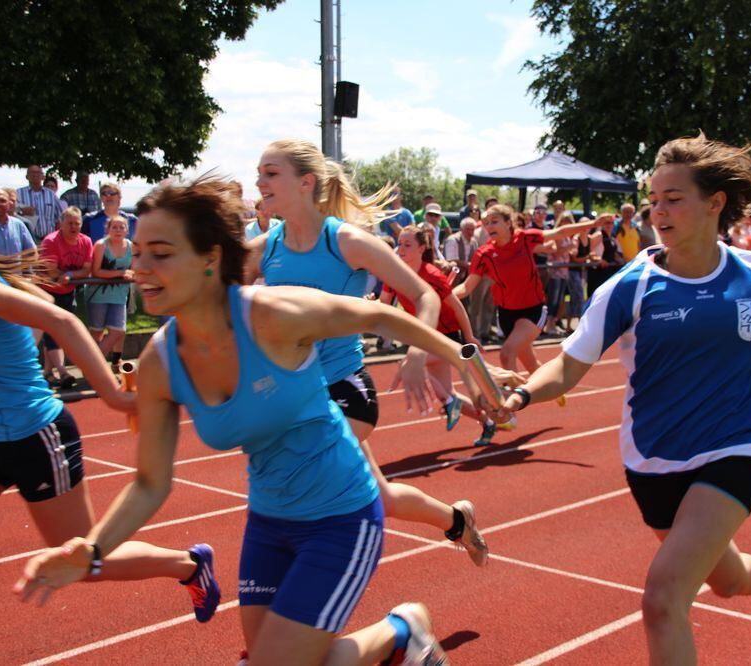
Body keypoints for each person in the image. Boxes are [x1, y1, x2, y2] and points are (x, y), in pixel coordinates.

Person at [16, 180, 496, 664]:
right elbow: (149, 483)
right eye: (137, 252)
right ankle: (404, 634)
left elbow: (381, 318)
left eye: (160, 253)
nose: (140, 268)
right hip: (269, 521)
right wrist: (92, 550)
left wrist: (466, 359)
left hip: (341, 514)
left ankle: (402, 630)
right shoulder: (161, 360)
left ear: (209, 258)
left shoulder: (272, 314)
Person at [488, 134, 751, 664]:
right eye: (654, 200)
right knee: (729, 580)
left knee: (663, 601)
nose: (659, 211)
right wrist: (524, 395)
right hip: (652, 460)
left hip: (733, 451)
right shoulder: (629, 287)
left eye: (674, 198)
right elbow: (568, 366)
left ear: (714, 203)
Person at [0, 177, 219, 624]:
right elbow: (41, 294)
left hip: (35, 436)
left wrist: (113, 395)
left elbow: (60, 317)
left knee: (83, 559)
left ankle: (188, 565)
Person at [247, 139, 491, 566]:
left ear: (305, 183)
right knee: (383, 496)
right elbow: (210, 286)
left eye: (270, 173)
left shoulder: (345, 242)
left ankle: (318, 581)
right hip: (293, 391)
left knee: (300, 472)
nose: (259, 182)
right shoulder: (266, 247)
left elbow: (424, 295)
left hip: (343, 389)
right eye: (259, 173)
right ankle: (456, 520)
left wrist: (417, 353)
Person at [452, 203, 597, 389]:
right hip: (506, 314)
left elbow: (560, 232)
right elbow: (466, 287)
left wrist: (594, 222)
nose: (489, 227)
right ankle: (552, 389)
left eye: (494, 222)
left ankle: (513, 404)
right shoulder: (484, 254)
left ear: (508, 222)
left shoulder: (524, 238)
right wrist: (443, 296)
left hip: (533, 310)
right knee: (530, 364)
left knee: (507, 353)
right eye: (486, 223)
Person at [380, 224, 499, 446]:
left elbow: (457, 305)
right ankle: (487, 422)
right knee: (447, 392)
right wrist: (369, 303)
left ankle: (481, 402)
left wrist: (470, 336)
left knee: (413, 363)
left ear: (421, 248)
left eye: (407, 245)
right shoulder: (393, 273)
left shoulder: (432, 274)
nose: (401, 249)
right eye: (399, 244)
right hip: (424, 336)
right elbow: (384, 303)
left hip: (447, 336)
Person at [39, 207, 93, 389]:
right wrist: (69, 275)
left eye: (77, 223)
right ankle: (62, 371)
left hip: (68, 291)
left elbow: (86, 269)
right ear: (60, 224)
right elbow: (52, 270)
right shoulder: (51, 241)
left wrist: (70, 274)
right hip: (47, 291)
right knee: (54, 331)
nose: (73, 227)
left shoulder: (85, 242)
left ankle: (47, 372)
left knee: (58, 331)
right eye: (69, 223)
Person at [86, 215, 134, 373]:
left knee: (119, 330)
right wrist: (120, 273)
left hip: (120, 295)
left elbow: (133, 269)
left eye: (122, 227)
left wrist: (131, 274)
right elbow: (96, 271)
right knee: (97, 331)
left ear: (127, 230)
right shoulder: (101, 245)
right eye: (115, 227)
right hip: (99, 294)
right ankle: (93, 366)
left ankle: (93, 364)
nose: (118, 230)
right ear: (108, 229)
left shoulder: (131, 246)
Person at [0, 189, 37, 256]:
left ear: (9, 204)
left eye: (3, 201)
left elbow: (31, 251)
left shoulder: (18, 224)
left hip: (17, 266)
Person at [17, 164, 63, 242]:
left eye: (38, 173)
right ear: (27, 177)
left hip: (48, 239)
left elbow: (59, 218)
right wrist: (21, 211)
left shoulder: (51, 195)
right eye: (32, 172)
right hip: (26, 240)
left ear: (43, 177)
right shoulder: (18, 193)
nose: (35, 175)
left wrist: (58, 238)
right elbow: (10, 213)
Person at [586, 213, 623, 297]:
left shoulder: (612, 237)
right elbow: (588, 251)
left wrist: (619, 259)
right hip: (598, 272)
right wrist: (598, 259)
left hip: (608, 271)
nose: (609, 225)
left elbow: (613, 252)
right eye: (606, 223)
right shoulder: (599, 235)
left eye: (611, 222)